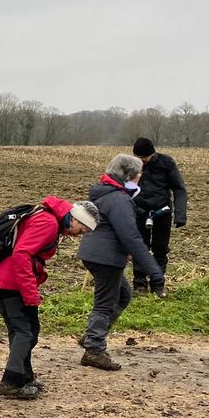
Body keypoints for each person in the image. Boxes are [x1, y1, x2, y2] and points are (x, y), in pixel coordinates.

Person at [0, 198, 101, 399]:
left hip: (1, 279)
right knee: (26, 332)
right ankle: (11, 382)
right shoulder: (48, 223)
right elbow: (21, 254)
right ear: (75, 219)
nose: (79, 235)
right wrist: (30, 295)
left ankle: (24, 376)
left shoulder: (48, 217)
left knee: (22, 331)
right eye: (82, 230)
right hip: (11, 282)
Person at [76, 154, 164, 371]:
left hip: (95, 252)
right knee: (105, 302)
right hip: (106, 257)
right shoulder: (119, 199)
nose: (140, 178)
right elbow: (130, 236)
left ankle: (91, 337)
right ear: (129, 175)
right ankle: (94, 349)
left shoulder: (106, 193)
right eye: (138, 174)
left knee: (123, 295)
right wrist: (154, 270)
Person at [131, 137, 188, 293]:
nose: (141, 161)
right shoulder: (130, 165)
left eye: (144, 158)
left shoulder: (166, 163)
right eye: (138, 157)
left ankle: (158, 284)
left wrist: (180, 215)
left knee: (160, 249)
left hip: (162, 212)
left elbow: (179, 189)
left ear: (152, 154)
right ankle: (139, 284)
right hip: (139, 212)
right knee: (140, 248)